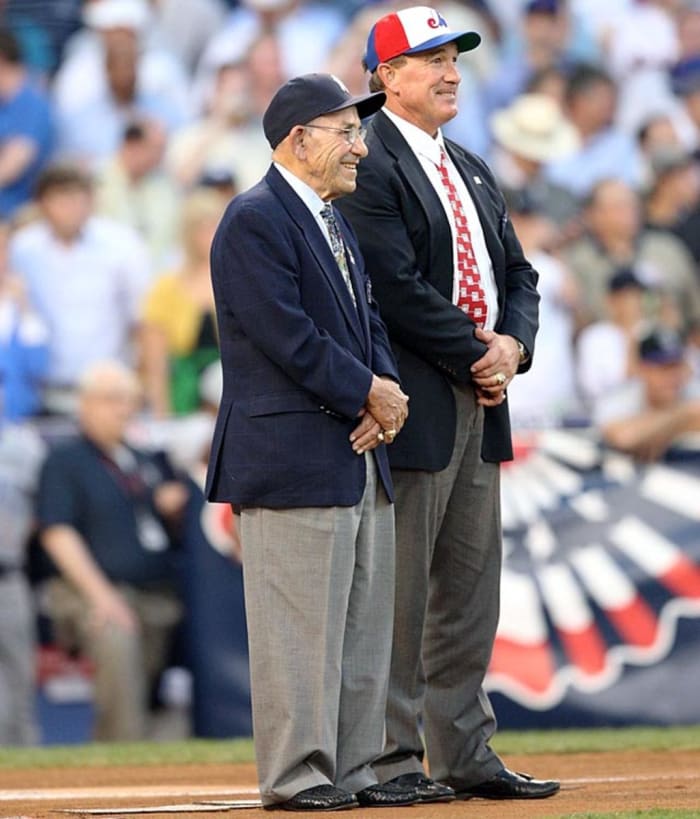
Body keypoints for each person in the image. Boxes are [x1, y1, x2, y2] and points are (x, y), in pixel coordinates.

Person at [336, 5, 559, 801]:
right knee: (403, 596)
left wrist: (513, 347)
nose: (450, 69)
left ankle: (465, 751)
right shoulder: (369, 161)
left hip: (481, 395)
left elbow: (520, 275)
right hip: (416, 401)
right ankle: (395, 758)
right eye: (430, 57)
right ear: (386, 75)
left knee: (469, 590)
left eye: (454, 55)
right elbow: (394, 285)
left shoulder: (467, 162)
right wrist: (479, 352)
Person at [205, 72, 413, 811]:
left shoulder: (332, 219)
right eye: (345, 132)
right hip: (292, 458)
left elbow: (370, 326)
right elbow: (287, 334)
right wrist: (368, 390)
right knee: (299, 634)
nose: (360, 146)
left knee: (360, 633)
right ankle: (297, 775)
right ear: (299, 140)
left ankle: (355, 770)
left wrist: (384, 394)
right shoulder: (253, 217)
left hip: (358, 450)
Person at [37, 360, 188, 741]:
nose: (124, 408)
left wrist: (170, 506)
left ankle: (143, 757)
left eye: (130, 399)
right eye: (112, 399)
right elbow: (57, 532)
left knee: (151, 682)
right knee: (116, 645)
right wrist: (101, 596)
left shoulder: (143, 458)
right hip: (89, 592)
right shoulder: (66, 459)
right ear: (85, 404)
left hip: (155, 593)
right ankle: (121, 755)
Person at [9, 163, 151, 414]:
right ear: (42, 203)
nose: (72, 207)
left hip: (107, 390)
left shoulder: (122, 245)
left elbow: (143, 320)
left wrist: (143, 385)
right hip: (44, 391)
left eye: (79, 196)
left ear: (92, 199)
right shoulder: (23, 249)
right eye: (61, 197)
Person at [594, 325, 700, 461]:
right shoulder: (622, 396)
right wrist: (684, 415)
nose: (672, 376)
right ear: (642, 369)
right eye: (663, 367)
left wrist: (652, 432)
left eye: (676, 365)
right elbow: (623, 438)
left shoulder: (692, 390)